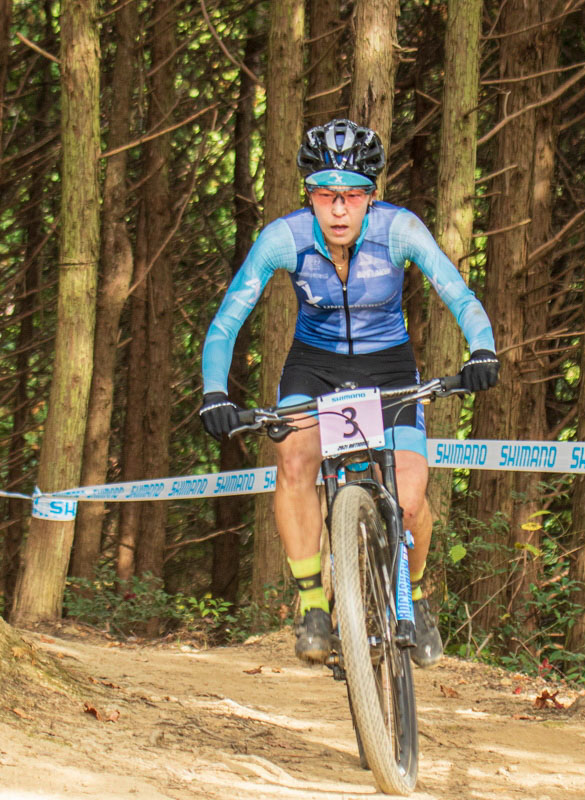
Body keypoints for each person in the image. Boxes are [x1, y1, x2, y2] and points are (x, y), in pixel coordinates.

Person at [199, 119, 499, 668]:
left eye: (353, 195)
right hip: (314, 367)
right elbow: (225, 323)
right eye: (326, 195)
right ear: (309, 195)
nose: (339, 210)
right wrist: (214, 392)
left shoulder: (400, 231)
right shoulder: (282, 240)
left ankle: (421, 594)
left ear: (371, 196)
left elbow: (458, 293)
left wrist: (482, 349)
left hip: (389, 368)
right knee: (292, 462)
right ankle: (314, 605)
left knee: (408, 499)